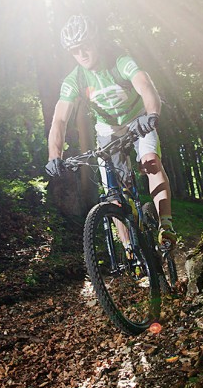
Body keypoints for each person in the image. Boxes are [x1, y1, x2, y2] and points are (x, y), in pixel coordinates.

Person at [45, 15, 176, 247]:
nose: (82, 54)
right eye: (75, 50)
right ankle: (129, 249)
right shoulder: (74, 79)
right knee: (114, 192)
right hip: (108, 130)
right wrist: (54, 155)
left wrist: (152, 114)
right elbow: (59, 120)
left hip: (138, 119)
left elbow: (144, 84)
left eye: (85, 46)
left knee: (150, 161)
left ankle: (166, 225)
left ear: (96, 42)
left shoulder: (119, 61)